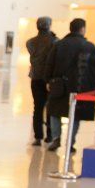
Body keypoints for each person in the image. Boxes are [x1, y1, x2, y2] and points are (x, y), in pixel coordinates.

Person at [45, 18, 95, 151]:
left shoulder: (59, 45)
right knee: (75, 114)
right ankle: (70, 143)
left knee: (55, 112)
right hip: (81, 86)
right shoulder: (89, 46)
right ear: (82, 29)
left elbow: (49, 64)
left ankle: (56, 138)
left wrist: (48, 80)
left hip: (59, 85)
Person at [26, 16, 57, 146]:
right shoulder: (55, 41)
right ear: (49, 25)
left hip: (36, 78)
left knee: (37, 108)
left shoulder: (30, 42)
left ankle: (38, 137)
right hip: (49, 79)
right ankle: (50, 136)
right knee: (49, 108)